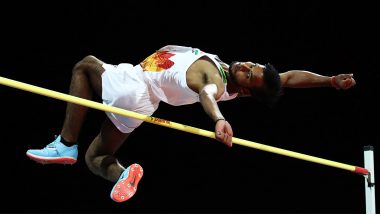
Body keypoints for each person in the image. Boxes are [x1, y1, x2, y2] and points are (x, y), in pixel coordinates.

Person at [26, 45, 356, 203]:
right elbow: (286, 78)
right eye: (253, 66)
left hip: (137, 84)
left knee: (85, 66)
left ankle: (65, 142)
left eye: (249, 75)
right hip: (142, 102)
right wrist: (329, 81)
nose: (247, 67)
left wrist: (218, 119)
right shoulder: (233, 75)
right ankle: (123, 174)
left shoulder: (215, 79)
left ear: (242, 91)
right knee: (96, 159)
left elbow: (208, 95)